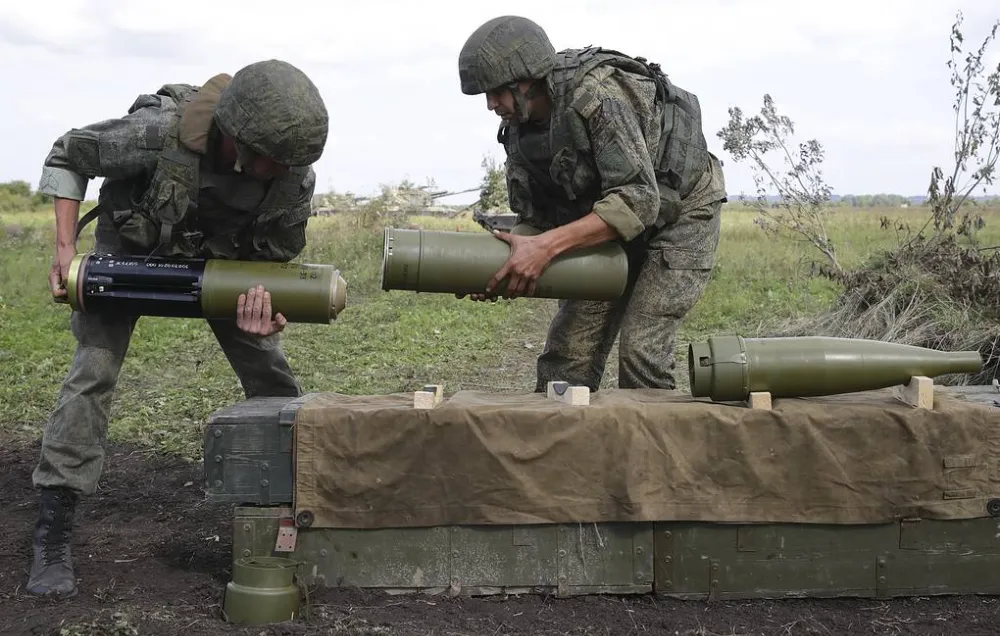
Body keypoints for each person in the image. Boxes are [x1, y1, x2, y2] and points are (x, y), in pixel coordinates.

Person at [27, 59, 329, 598]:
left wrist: (271, 312)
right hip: (130, 256)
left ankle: (299, 504)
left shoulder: (291, 174)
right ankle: (54, 524)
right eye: (271, 160)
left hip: (223, 271)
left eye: (290, 163)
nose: (281, 171)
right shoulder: (157, 134)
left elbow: (276, 264)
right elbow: (68, 153)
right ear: (236, 136)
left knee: (272, 377)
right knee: (92, 371)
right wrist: (66, 249)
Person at [457, 15, 727, 393]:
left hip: (680, 212)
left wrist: (546, 248)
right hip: (606, 220)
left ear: (526, 80)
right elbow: (534, 219)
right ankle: (562, 448)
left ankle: (651, 449)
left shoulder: (597, 96)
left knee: (641, 350)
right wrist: (500, 269)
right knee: (568, 354)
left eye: (496, 92)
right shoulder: (521, 131)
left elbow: (638, 200)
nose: (491, 105)